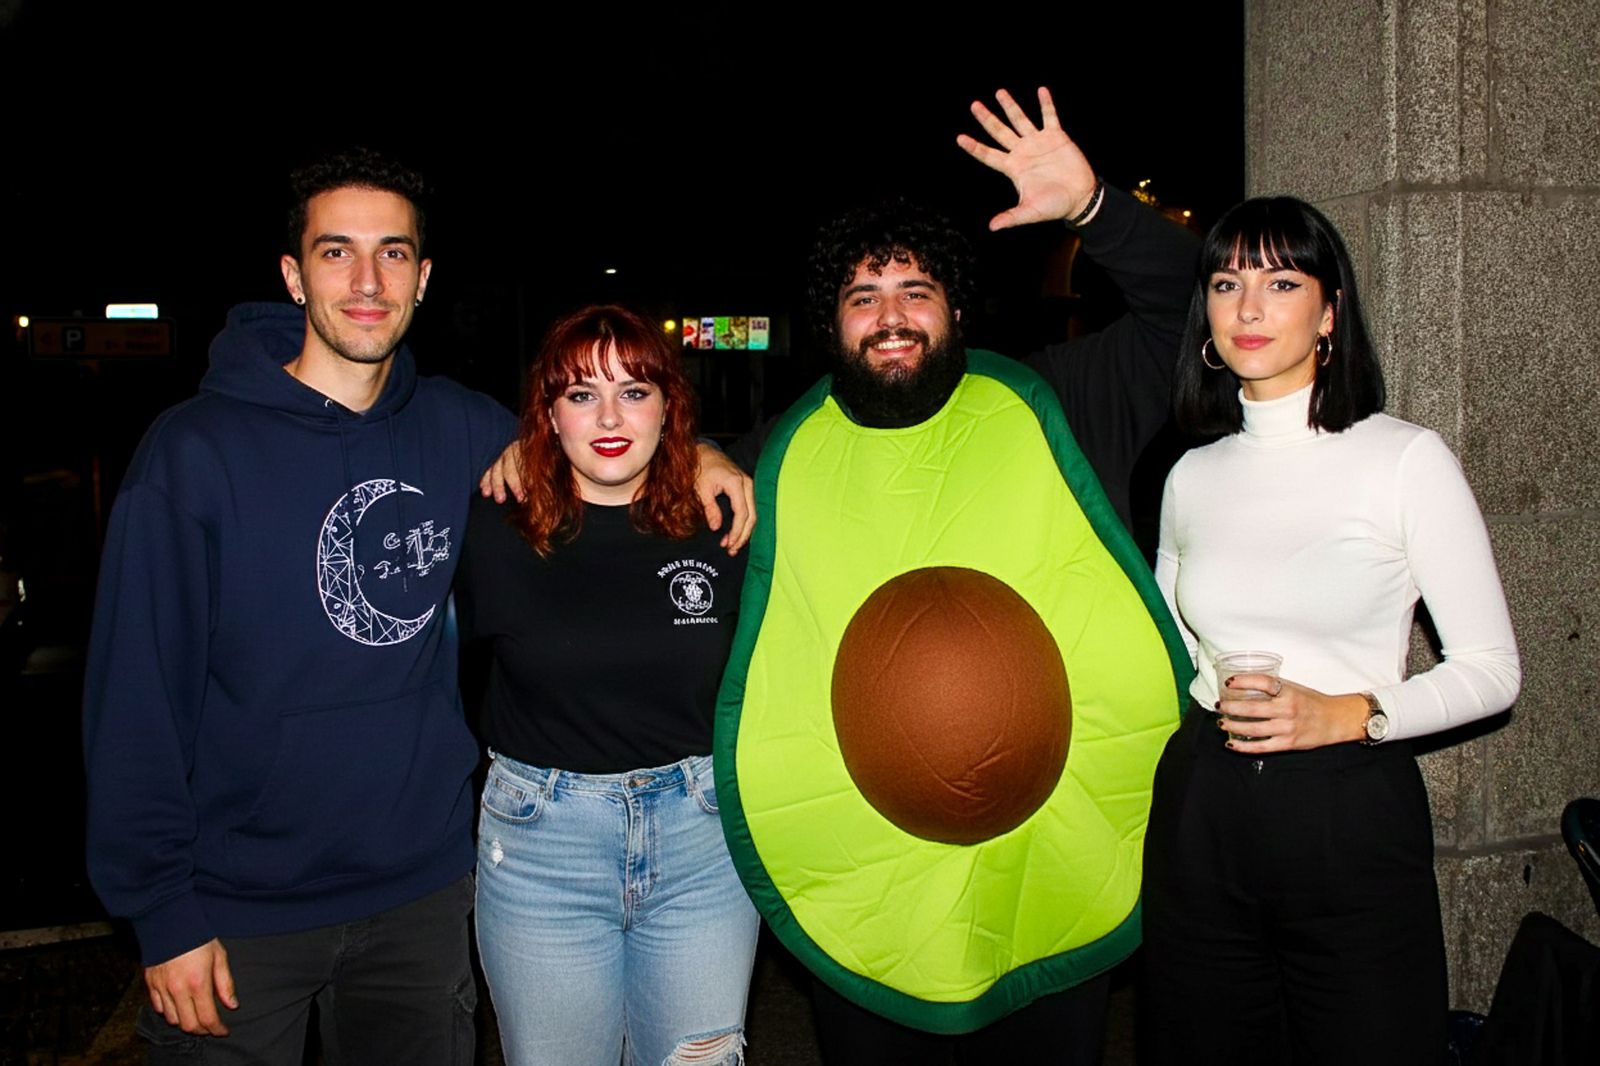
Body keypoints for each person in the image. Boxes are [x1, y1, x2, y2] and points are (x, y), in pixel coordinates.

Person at [80, 148, 752, 1064]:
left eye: (392, 253)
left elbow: (600, 436)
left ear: (424, 277)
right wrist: (160, 909)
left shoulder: (456, 429)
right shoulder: (193, 453)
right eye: (336, 252)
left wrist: (703, 452)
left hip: (420, 898)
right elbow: (134, 696)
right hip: (239, 908)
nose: (367, 281)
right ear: (293, 275)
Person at [714, 88, 1201, 1064]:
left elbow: (1199, 315)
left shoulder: (1056, 403)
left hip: (1049, 868)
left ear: (958, 310)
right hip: (873, 882)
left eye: (915, 290)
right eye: (862, 297)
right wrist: (688, 453)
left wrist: (1094, 208)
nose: (890, 316)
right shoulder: (777, 455)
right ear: (832, 327)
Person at [1141, 196, 1521, 1065]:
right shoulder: (1191, 475)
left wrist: (1351, 713)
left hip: (1348, 810)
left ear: (1329, 312)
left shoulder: (1404, 459)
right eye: (1226, 282)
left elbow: (1493, 669)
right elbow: (1170, 652)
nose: (1248, 306)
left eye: (1281, 282)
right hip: (1203, 806)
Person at [455, 305, 758, 1066]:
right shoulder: (493, 525)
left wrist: (711, 453)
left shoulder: (724, 521)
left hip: (701, 844)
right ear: (549, 414)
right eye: (582, 394)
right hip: (542, 850)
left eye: (635, 391)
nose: (611, 417)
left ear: (669, 405)